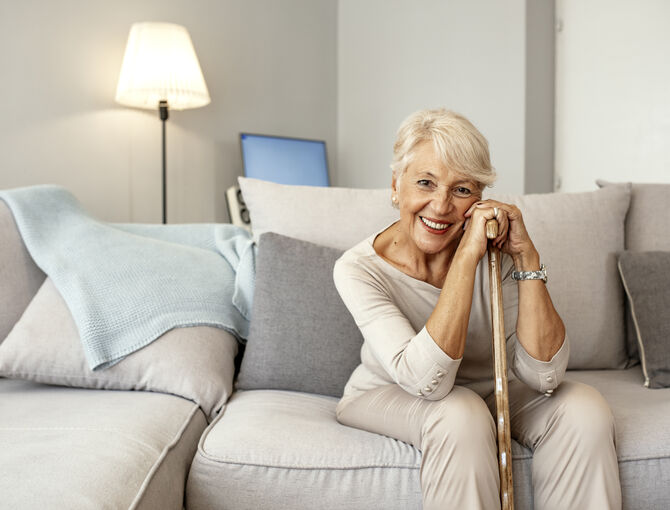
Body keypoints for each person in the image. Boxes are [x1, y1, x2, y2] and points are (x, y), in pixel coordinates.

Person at [334, 108, 622, 509]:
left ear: (479, 199)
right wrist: (466, 259)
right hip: (391, 392)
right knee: (459, 413)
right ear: (396, 185)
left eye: (462, 190)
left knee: (584, 409)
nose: (440, 206)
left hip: (491, 388)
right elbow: (426, 383)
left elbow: (546, 375)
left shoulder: (499, 256)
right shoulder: (358, 268)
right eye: (425, 183)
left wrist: (525, 257)